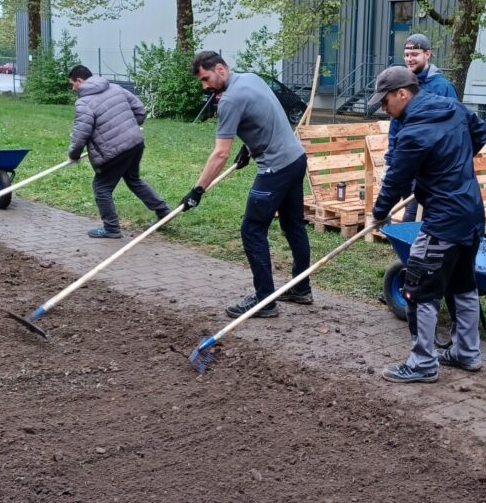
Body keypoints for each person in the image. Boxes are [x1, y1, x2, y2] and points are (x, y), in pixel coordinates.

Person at [370, 65, 486, 383]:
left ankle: (423, 363)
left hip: (444, 221)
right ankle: (467, 353)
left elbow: (396, 180)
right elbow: (482, 134)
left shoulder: (413, 132)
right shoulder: (453, 107)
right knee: (463, 284)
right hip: (472, 213)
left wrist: (379, 212)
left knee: (419, 289)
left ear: (402, 93)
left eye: (385, 101)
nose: (384, 108)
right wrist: (453, 163)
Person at [180, 50, 312, 319]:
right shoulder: (251, 78)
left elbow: (219, 154)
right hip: (296, 158)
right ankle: (301, 288)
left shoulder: (229, 100)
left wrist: (198, 190)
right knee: (293, 225)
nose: (205, 86)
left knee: (252, 229)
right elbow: (264, 116)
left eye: (206, 79)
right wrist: (250, 147)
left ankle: (265, 300)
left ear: (220, 69)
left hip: (276, 167)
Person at [67, 65, 171, 238]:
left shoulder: (83, 102)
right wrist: (129, 128)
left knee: (101, 187)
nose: (72, 88)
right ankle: (163, 211)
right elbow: (139, 110)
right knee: (133, 179)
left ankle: (111, 228)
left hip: (114, 151)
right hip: (135, 143)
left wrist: (73, 154)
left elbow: (81, 134)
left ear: (79, 80)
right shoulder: (115, 87)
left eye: (72, 84)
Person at [387, 33, 458, 222]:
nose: (409, 59)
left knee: (413, 218)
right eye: (407, 54)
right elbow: (396, 126)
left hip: (429, 168)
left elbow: (451, 129)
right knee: (414, 218)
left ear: (428, 54)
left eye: (415, 54)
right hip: (406, 164)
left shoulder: (442, 88)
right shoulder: (402, 85)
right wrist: (391, 159)